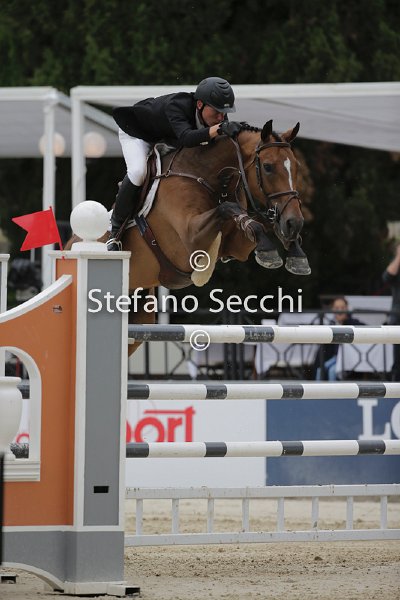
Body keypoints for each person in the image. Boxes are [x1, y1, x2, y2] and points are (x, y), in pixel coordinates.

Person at [107, 77, 240, 250]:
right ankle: (115, 230)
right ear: (200, 104)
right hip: (137, 134)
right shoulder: (176, 106)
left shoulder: (216, 115)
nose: (221, 117)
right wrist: (220, 129)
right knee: (138, 172)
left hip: (165, 138)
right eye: (217, 112)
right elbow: (187, 138)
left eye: (224, 112)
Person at [315, 296, 364, 381]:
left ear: (347, 309)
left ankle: (333, 390)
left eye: (342, 308)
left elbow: (366, 332)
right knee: (320, 369)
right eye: (337, 308)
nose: (340, 311)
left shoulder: (354, 323)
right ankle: (317, 389)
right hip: (335, 357)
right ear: (333, 309)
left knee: (332, 371)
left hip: (350, 360)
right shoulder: (331, 325)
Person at [382, 242, 400, 381]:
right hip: (398, 315)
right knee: (398, 358)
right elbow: (387, 277)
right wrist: (399, 256)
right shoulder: (396, 266)